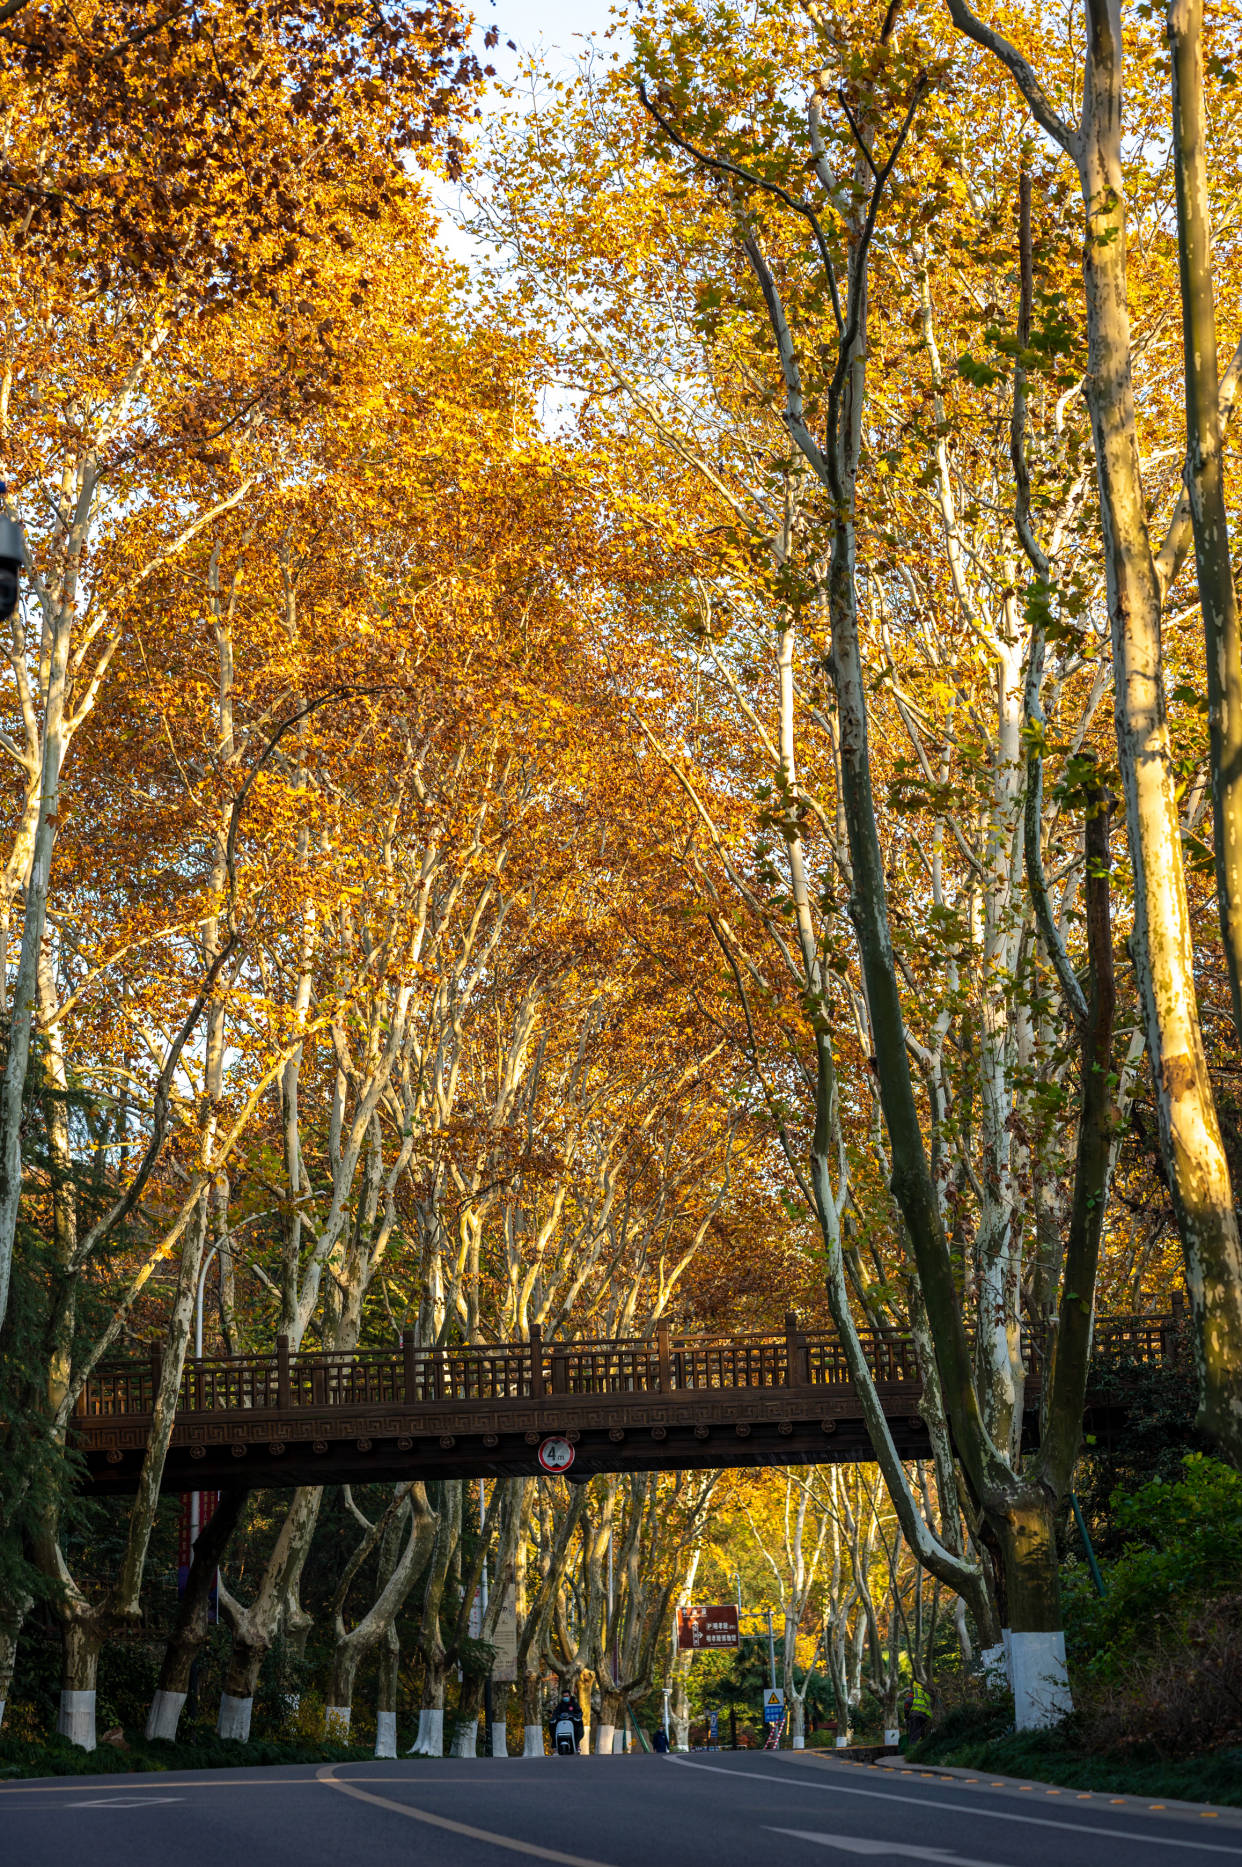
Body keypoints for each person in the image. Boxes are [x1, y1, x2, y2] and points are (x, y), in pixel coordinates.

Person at [550, 1688, 584, 1753]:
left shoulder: (574, 1704)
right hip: (561, 1723)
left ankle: (577, 1744)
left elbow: (579, 1712)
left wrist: (577, 1716)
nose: (565, 1697)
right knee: (551, 1724)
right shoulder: (560, 1705)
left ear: (570, 1696)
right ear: (562, 1697)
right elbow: (555, 1712)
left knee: (579, 1724)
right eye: (564, 1696)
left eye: (567, 1696)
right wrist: (554, 1718)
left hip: (573, 1723)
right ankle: (554, 1744)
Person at [906, 1678, 932, 1746]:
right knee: (924, 1734)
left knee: (914, 1733)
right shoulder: (928, 1695)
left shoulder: (914, 1691)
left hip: (916, 1714)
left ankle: (912, 1750)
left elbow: (908, 1702)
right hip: (926, 1717)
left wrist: (906, 1716)